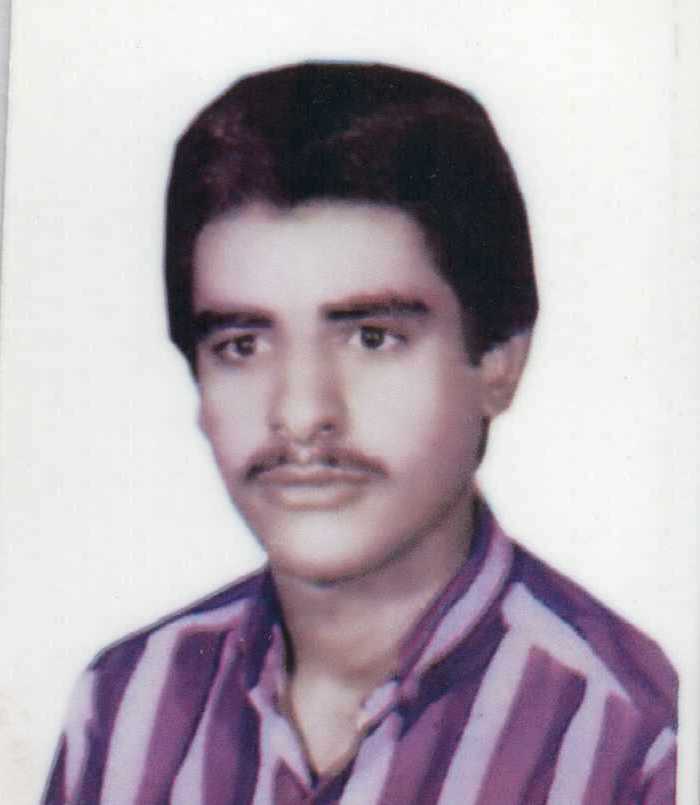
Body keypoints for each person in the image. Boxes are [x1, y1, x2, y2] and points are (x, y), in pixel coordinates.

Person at [42, 62, 677, 804]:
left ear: (499, 361)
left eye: (371, 338)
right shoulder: (125, 708)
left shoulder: (638, 738)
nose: (301, 412)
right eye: (242, 345)